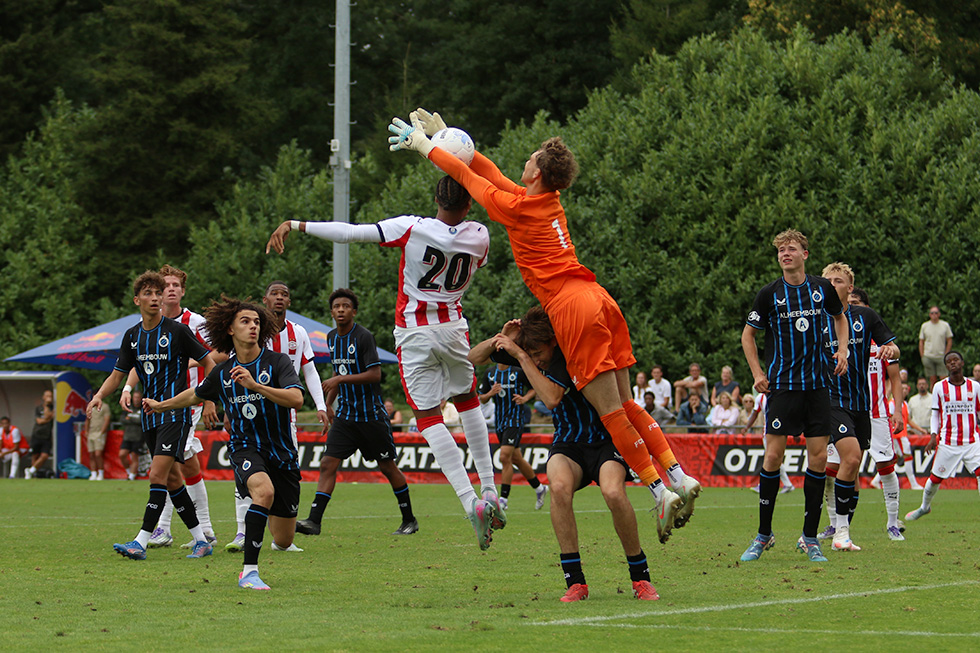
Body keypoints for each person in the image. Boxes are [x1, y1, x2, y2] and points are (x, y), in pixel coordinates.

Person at [389, 109, 700, 528]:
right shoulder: (543, 200)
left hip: (573, 307)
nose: (526, 160)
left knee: (610, 413)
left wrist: (427, 147)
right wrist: (449, 137)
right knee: (626, 403)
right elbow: (491, 174)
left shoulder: (519, 210)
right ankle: (678, 477)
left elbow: (472, 182)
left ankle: (658, 491)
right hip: (599, 297)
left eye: (532, 157)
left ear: (537, 171)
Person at [267, 175, 503, 550]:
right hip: (454, 327)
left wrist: (297, 224)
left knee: (428, 417)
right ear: (470, 204)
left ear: (435, 198)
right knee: (467, 398)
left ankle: (469, 500)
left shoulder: (412, 227)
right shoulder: (480, 236)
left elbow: (350, 232)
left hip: (413, 332)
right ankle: (489, 489)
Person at [470, 309, 661, 602]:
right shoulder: (533, 353)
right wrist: (500, 338)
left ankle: (641, 579)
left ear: (553, 343)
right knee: (558, 487)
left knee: (612, 492)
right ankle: (576, 582)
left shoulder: (566, 354)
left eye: (539, 352)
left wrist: (521, 356)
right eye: (530, 353)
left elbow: (551, 398)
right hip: (569, 443)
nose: (536, 359)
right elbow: (474, 358)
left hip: (606, 440)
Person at [144, 297, 305, 590]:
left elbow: (296, 399)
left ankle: (262, 532)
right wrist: (161, 405)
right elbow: (195, 394)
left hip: (282, 453)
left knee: (283, 539)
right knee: (263, 491)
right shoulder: (222, 372)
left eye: (256, 322)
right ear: (229, 329)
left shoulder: (277, 362)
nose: (252, 326)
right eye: (245, 321)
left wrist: (256, 386)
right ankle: (249, 572)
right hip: (245, 448)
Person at [87, 270, 215, 561]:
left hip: (175, 414)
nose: (155, 297)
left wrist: (207, 399)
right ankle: (201, 539)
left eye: (158, 293)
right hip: (149, 417)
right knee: (171, 480)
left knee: (156, 474)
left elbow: (210, 362)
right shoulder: (132, 337)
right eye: (149, 293)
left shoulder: (178, 331)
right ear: (137, 300)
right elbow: (118, 374)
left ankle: (141, 541)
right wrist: (98, 395)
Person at [739, 229, 848, 563]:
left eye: (792, 249)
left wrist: (842, 350)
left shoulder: (821, 289)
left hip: (817, 387)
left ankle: (810, 538)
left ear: (805, 254)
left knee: (817, 460)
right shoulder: (769, 294)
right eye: (781, 250)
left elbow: (840, 317)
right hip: (783, 387)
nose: (785, 254)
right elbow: (748, 335)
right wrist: (758, 373)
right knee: (772, 458)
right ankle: (763, 535)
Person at [294, 288, 418, 537]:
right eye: (336, 306)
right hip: (346, 418)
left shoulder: (363, 337)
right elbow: (335, 377)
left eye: (345, 306)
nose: (340, 310)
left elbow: (375, 375)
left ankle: (409, 519)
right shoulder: (330, 338)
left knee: (387, 466)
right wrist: (327, 404)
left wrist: (339, 379)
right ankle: (314, 521)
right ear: (331, 312)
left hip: (371, 417)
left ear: (354, 311)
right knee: (328, 463)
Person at [226, 280, 329, 552]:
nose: (280, 298)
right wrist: (227, 406)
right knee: (251, 474)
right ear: (265, 299)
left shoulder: (299, 333)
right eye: (275, 294)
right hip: (248, 414)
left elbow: (310, 371)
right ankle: (241, 531)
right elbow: (228, 371)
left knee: (284, 478)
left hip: (284, 419)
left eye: (285, 294)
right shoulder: (251, 332)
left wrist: (321, 405)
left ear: (289, 302)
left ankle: (280, 536)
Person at [122, 265, 217, 549]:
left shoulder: (194, 323)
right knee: (179, 471)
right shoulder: (140, 331)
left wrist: (209, 397)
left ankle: (151, 534)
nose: (168, 290)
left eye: (173, 285)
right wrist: (127, 388)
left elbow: (217, 355)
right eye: (164, 286)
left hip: (185, 403)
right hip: (154, 408)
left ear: (180, 291)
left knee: (162, 471)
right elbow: (141, 363)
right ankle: (202, 536)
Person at [816, 272, 901, 549]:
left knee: (852, 469)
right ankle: (836, 530)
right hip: (830, 403)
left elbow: (894, 350)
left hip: (864, 407)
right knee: (846, 461)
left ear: (850, 287)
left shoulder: (865, 317)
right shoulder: (816, 317)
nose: (832, 284)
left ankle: (872, 525)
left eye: (838, 280)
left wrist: (892, 350)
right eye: (827, 280)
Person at [905, 351, 980, 525]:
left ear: (962, 363)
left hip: (972, 441)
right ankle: (924, 507)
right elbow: (936, 415)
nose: (953, 363)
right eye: (949, 361)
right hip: (948, 442)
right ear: (946, 366)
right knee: (935, 479)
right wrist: (933, 436)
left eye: (956, 360)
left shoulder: (975, 387)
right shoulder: (939, 387)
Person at [479, 360, 548, 510]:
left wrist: (525, 399)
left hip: (515, 420)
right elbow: (482, 398)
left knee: (504, 456)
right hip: (500, 422)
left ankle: (503, 499)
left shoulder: (518, 371)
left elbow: (534, 388)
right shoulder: (490, 373)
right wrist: (491, 393)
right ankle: (539, 488)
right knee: (516, 458)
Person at [744, 394, 795, 494]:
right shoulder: (760, 397)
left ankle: (765, 484)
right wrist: (746, 427)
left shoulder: (779, 393)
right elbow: (755, 413)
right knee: (773, 457)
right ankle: (787, 484)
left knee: (772, 457)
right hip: (767, 432)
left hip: (778, 430)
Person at [918, 306, 952, 387]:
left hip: (941, 356)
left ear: (939, 314)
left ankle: (945, 397)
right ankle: (934, 397)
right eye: (932, 313)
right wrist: (922, 355)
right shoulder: (925, 326)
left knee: (944, 379)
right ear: (929, 314)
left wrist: (946, 353)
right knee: (932, 380)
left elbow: (949, 340)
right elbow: (921, 341)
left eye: (936, 313)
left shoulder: (945, 325)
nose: (934, 315)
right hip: (928, 356)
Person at [24, 389, 54, 479]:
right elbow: (39, 421)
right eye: (47, 396)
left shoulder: (52, 407)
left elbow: (48, 416)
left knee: (45, 455)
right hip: (37, 434)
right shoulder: (38, 408)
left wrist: (47, 407)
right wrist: (47, 419)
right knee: (35, 455)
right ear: (43, 397)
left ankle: (31, 470)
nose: (49, 398)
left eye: (50, 396)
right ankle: (33, 474)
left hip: (47, 436)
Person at [118, 391, 145, 481]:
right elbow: (122, 420)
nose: (136, 399)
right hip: (127, 436)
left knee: (134, 456)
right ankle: (128, 471)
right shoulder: (128, 407)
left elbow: (141, 421)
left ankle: (132, 476)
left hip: (138, 437)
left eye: (138, 397)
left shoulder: (143, 409)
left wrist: (130, 419)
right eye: (135, 397)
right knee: (122, 454)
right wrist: (134, 420)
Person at [84, 401, 110, 481]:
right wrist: (86, 431)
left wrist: (102, 432)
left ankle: (101, 473)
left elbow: (107, 419)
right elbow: (87, 419)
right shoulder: (90, 406)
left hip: (99, 433)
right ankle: (93, 473)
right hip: (91, 433)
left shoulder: (105, 406)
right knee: (91, 454)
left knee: (98, 454)